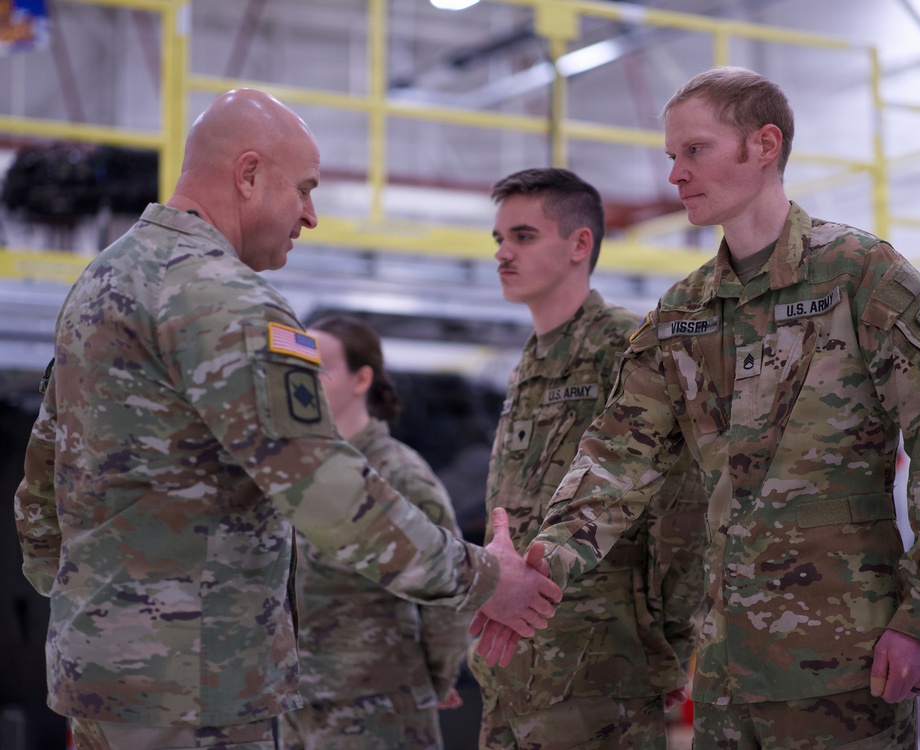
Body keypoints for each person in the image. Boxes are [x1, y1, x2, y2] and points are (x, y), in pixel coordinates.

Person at [12, 87, 561, 750]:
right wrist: (484, 581)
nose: (311, 215)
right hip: (198, 682)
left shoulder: (103, 281)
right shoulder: (229, 301)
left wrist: (92, 603)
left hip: (102, 672)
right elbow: (325, 490)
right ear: (248, 175)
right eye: (303, 189)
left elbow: (44, 475)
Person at [475, 67, 920, 749]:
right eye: (671, 156)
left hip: (845, 664)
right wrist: (540, 568)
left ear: (764, 144)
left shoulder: (860, 276)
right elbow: (616, 460)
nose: (676, 175)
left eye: (696, 150)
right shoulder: (683, 314)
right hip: (724, 670)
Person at [467, 167, 707, 749]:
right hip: (514, 668)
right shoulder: (530, 362)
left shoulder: (625, 348)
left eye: (522, 237)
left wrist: (668, 643)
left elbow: (684, 502)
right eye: (498, 239)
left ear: (580, 244)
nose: (503, 253)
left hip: (599, 671)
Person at [280, 314, 470, 750]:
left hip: (377, 707)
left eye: (317, 368)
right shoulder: (292, 470)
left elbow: (453, 585)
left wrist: (435, 680)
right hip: (299, 703)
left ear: (361, 378)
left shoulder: (397, 476)